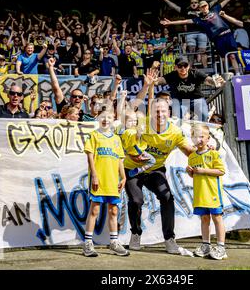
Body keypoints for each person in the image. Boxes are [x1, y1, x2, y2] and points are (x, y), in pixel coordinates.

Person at [124, 98, 195, 255]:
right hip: (133, 169)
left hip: (155, 170)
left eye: (163, 111)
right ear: (151, 113)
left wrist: (204, 151)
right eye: (156, 111)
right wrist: (133, 156)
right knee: (136, 201)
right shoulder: (142, 124)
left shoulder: (175, 132)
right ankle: (135, 233)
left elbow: (189, 151)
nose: (160, 114)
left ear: (168, 113)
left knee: (167, 196)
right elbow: (125, 142)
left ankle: (169, 239)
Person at [160, 0, 247, 75]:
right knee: (224, 58)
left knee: (234, 55)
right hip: (218, 39)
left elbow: (227, 0)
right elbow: (184, 21)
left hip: (227, 34)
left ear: (207, 6)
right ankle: (227, 74)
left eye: (205, 5)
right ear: (200, 9)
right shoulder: (199, 19)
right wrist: (170, 22)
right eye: (202, 7)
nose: (204, 7)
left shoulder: (215, 9)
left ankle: (239, 73)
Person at [83, 107, 129, 257]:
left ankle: (114, 242)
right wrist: (94, 175)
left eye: (109, 117)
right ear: (97, 118)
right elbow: (90, 157)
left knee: (113, 210)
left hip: (112, 181)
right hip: (99, 179)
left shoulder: (116, 139)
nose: (105, 119)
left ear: (113, 119)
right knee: (95, 209)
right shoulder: (94, 136)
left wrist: (123, 177)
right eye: (103, 116)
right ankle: (88, 243)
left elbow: (120, 160)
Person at [186, 124, 226, 260]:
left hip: (213, 193)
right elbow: (194, 176)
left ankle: (221, 247)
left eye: (202, 136)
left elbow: (221, 171)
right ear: (192, 139)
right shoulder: (191, 157)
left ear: (208, 138)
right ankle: (206, 245)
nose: (199, 140)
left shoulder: (214, 154)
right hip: (200, 194)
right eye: (196, 137)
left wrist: (203, 170)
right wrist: (190, 173)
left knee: (217, 218)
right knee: (204, 219)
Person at [162, 0, 227, 68]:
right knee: (191, 51)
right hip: (190, 34)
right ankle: (190, 69)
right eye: (192, 2)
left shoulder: (203, 8)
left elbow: (214, 0)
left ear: (198, 3)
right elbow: (175, 6)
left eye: (196, 2)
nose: (194, 4)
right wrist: (166, 0)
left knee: (202, 51)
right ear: (190, 3)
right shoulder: (186, 11)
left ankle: (205, 69)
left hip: (202, 33)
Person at [156, 56, 224, 121]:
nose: (183, 68)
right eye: (180, 66)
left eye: (185, 65)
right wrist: (154, 80)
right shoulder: (173, 75)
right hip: (180, 100)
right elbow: (161, 80)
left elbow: (207, 79)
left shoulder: (195, 73)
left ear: (188, 66)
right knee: (178, 119)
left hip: (196, 99)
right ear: (175, 67)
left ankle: (202, 131)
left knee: (204, 115)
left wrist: (214, 81)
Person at [121, 110, 156, 178]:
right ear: (124, 122)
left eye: (135, 121)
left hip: (132, 151)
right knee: (152, 161)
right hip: (138, 151)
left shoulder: (127, 130)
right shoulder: (129, 131)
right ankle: (140, 170)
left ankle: (137, 170)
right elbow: (136, 136)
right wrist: (139, 131)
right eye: (130, 121)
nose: (133, 123)